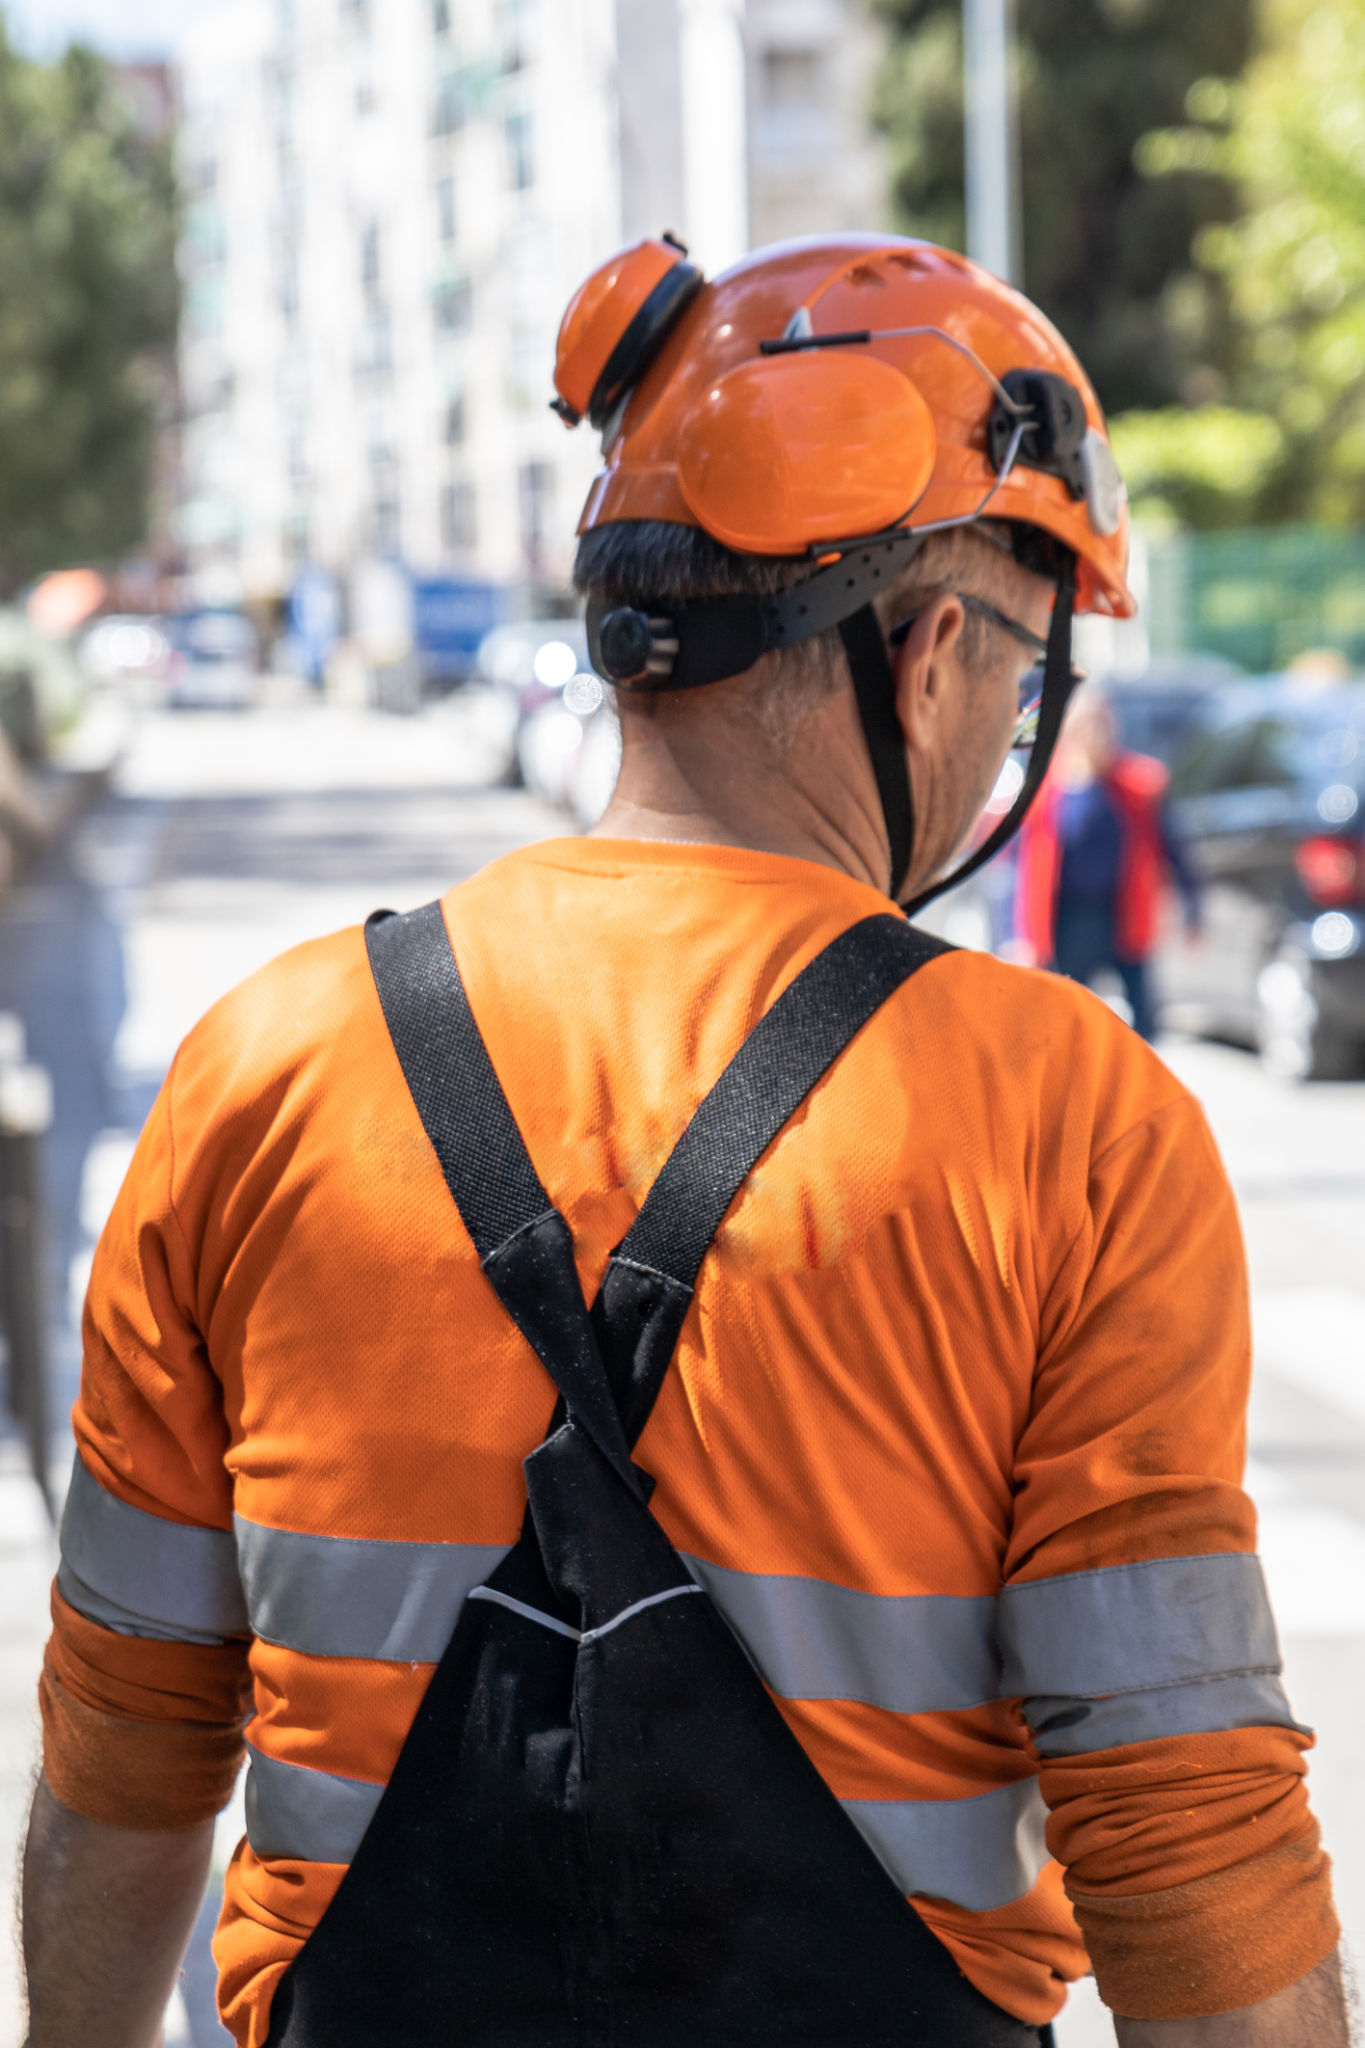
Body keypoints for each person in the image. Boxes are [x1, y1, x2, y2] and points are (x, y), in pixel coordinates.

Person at [23, 236, 1346, 2048]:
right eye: (1029, 669)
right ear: (937, 651)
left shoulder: (258, 1068)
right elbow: (1187, 1840)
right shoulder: (1068, 1116)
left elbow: (123, 1740)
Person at [1013, 684, 1201, 1038]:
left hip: (1120, 914)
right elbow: (1020, 867)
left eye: (1102, 723)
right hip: (1065, 920)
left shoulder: (1140, 784)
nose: (1096, 733)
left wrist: (1192, 908)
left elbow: (1174, 850)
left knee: (1143, 1018)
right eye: (1087, 724)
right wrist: (1019, 933)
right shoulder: (1046, 788)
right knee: (1063, 1017)